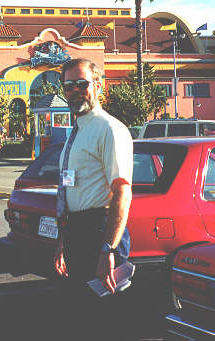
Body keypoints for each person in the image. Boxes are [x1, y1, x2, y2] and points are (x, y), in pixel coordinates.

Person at [54, 58, 133, 299]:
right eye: (69, 86)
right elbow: (70, 189)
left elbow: (122, 192)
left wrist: (107, 249)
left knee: (104, 316)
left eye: (81, 84)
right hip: (76, 232)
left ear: (98, 85)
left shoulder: (109, 129)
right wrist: (62, 242)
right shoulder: (77, 132)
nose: (75, 91)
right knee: (81, 312)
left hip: (100, 231)